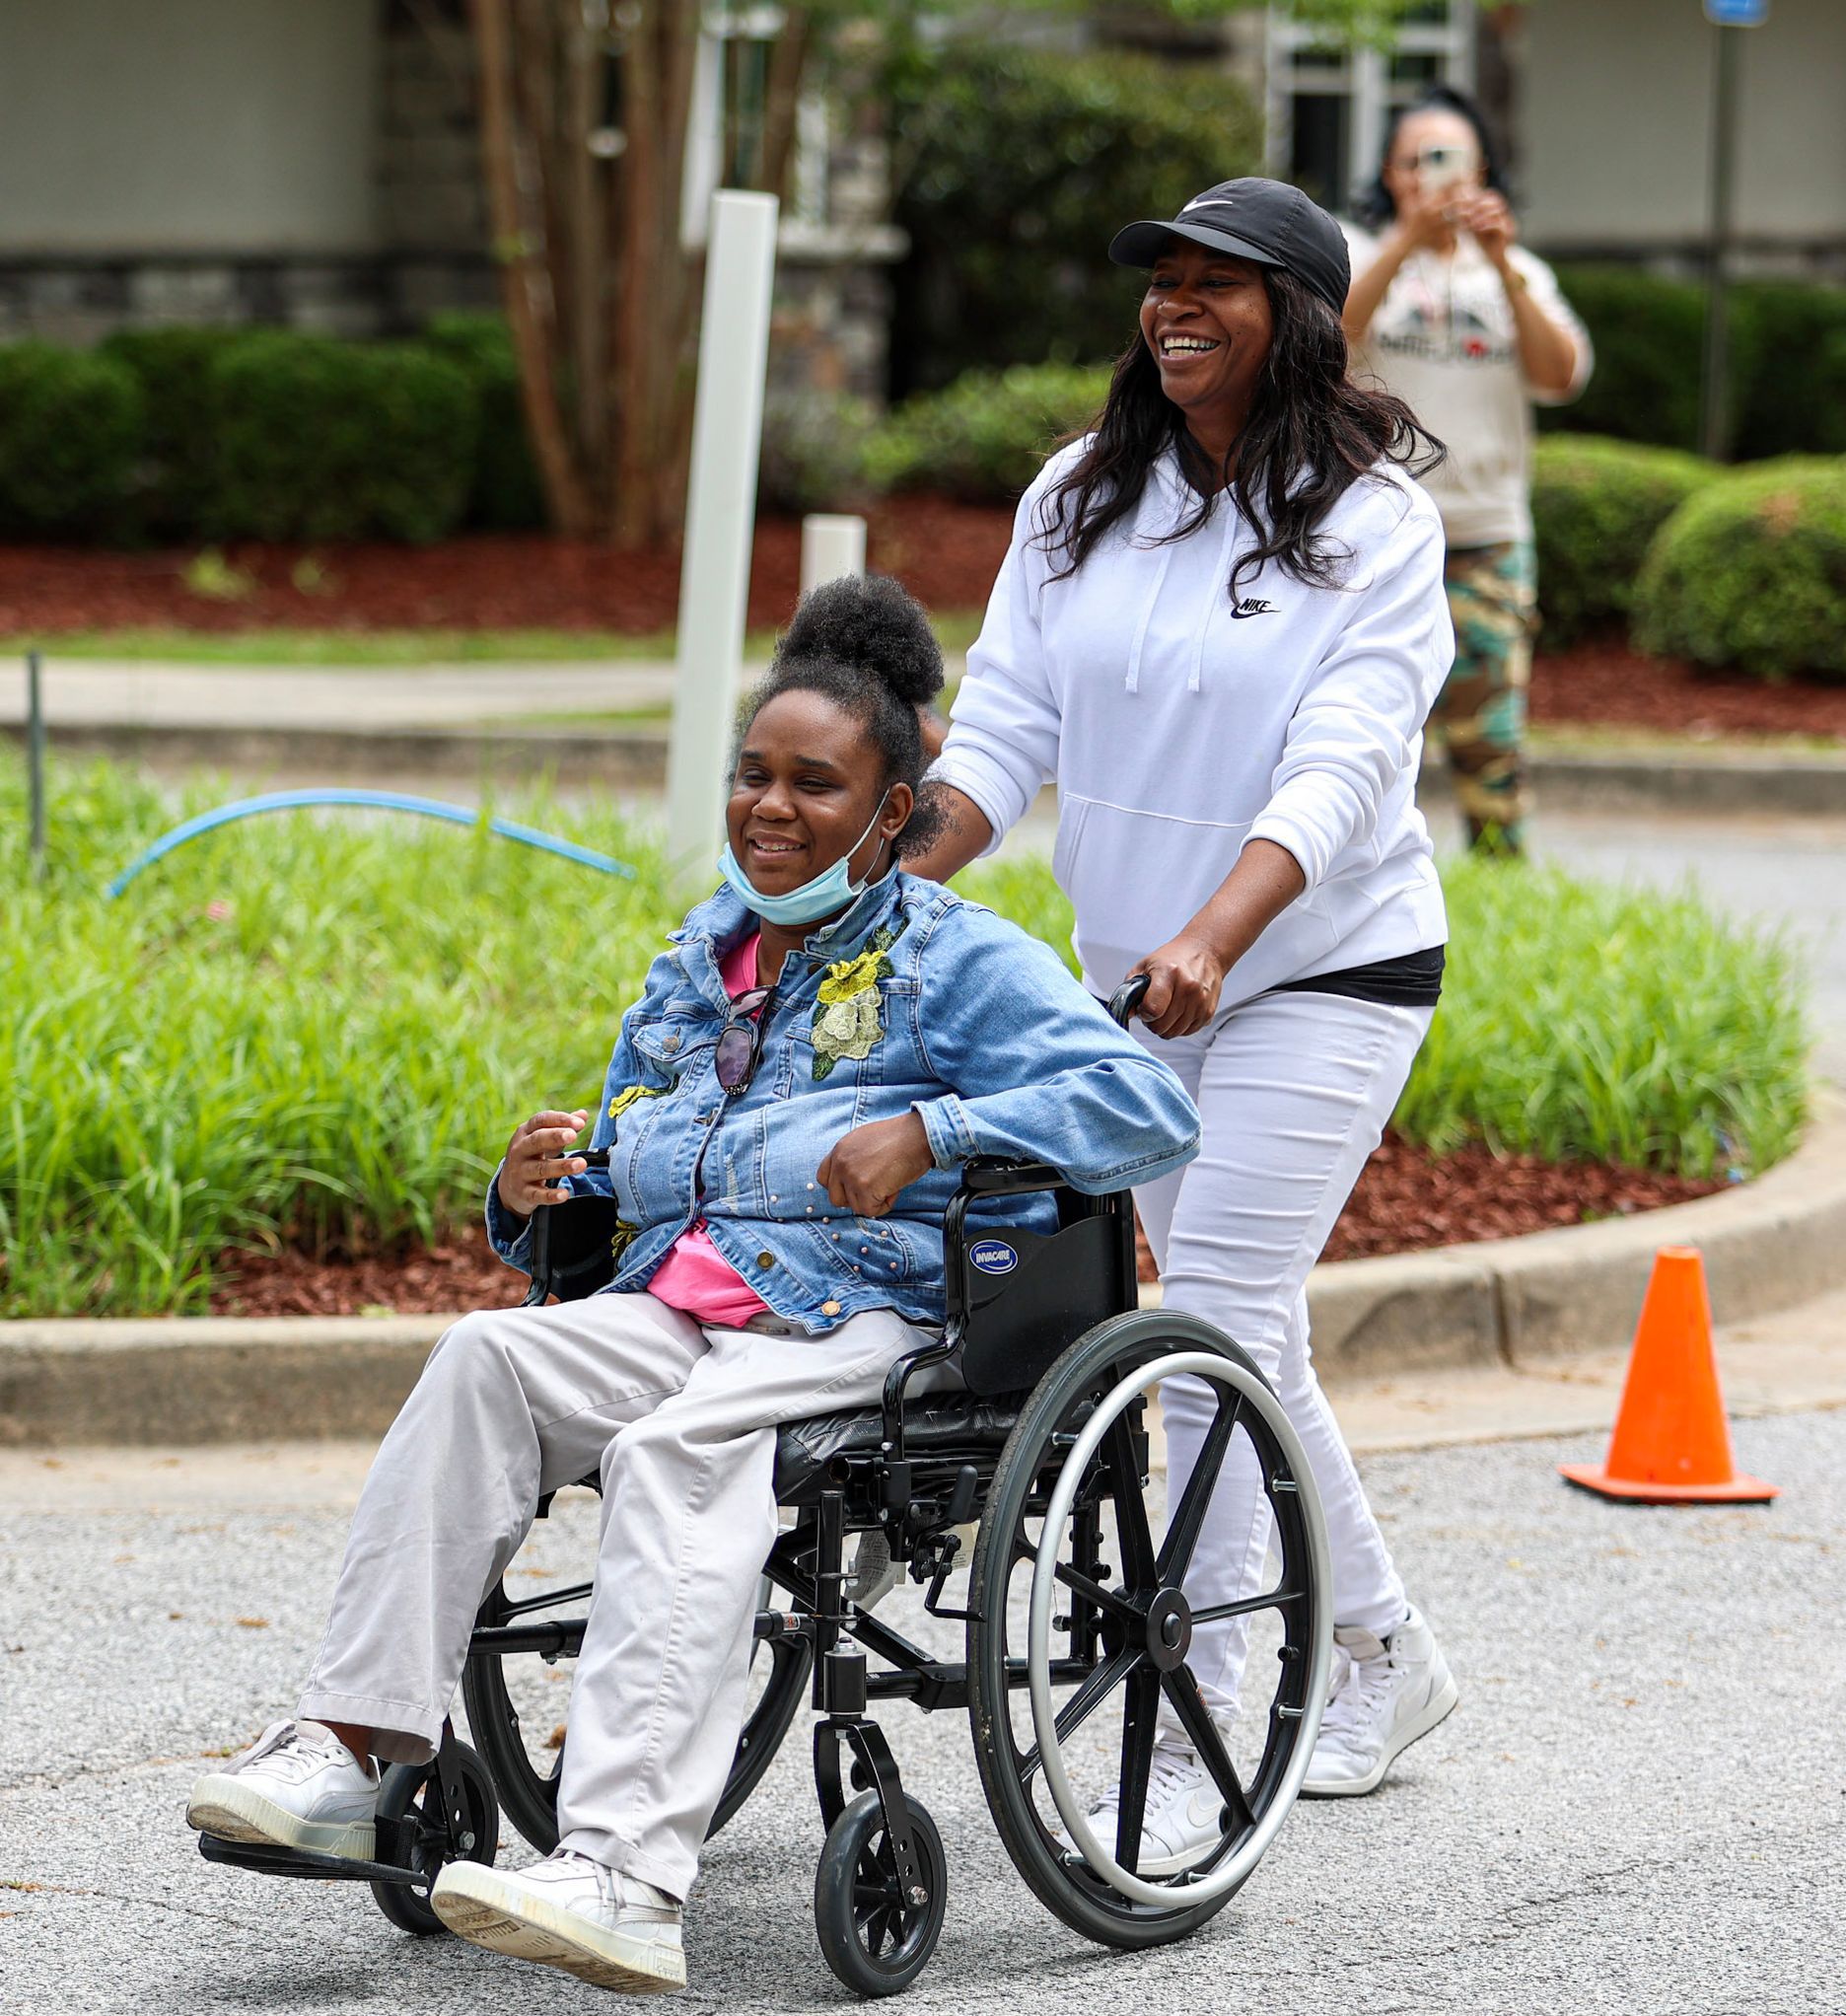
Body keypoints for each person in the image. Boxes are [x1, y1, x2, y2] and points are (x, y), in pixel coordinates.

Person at [184, 576, 1199, 1996]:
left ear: (893, 815)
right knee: (482, 1360)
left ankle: (625, 1872)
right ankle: (356, 1746)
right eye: (754, 774)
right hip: (686, 1303)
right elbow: (631, 1154)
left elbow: (1147, 1107)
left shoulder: (953, 956)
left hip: (873, 1316)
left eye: (816, 784)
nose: (771, 807)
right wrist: (537, 1192)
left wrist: (934, 1131)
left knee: (681, 1445)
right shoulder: (694, 961)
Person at [908, 177, 1460, 1866]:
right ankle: (1385, 1649)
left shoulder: (1376, 525)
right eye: (1162, 279)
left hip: (1320, 971)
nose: (1175, 305)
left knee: (1208, 1320)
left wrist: (1220, 932)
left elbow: (1347, 763)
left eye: (1219, 282)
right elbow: (1003, 722)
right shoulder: (1082, 496)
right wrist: (886, 886)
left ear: (1301, 316)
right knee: (1246, 1332)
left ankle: (1206, 1712)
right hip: (1136, 985)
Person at [1341, 85, 1593, 857]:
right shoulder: (1357, 254)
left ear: (1482, 172)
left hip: (1486, 534)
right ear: (1391, 173)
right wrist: (1405, 244)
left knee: (1490, 732)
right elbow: (1326, 342)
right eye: (1418, 160)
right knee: (1362, 722)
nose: (1435, 175)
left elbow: (1561, 376)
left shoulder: (1518, 271)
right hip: (1372, 532)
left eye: (1452, 159)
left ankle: (1496, 869)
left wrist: (1501, 262)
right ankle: (1357, 868)